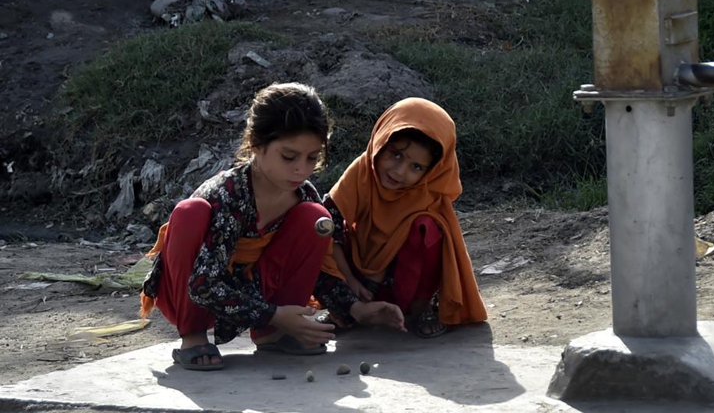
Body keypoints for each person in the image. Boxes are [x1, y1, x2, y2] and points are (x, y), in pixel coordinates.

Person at [139, 82, 339, 371]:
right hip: (194, 293)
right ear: (257, 144)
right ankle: (193, 338)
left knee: (316, 217)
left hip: (256, 296)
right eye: (289, 157)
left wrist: (357, 308)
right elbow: (203, 285)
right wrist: (272, 313)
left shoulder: (303, 195)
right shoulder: (228, 195)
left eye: (312, 158)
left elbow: (317, 269)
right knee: (190, 212)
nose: (301, 169)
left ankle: (274, 335)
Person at [313, 97, 488, 339]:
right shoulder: (363, 172)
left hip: (407, 284)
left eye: (416, 167)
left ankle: (422, 308)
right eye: (395, 154)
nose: (399, 172)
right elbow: (329, 221)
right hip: (359, 278)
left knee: (428, 227)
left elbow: (440, 258)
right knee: (318, 225)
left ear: (432, 171)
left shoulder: (428, 194)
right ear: (381, 142)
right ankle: (348, 306)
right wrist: (349, 282)